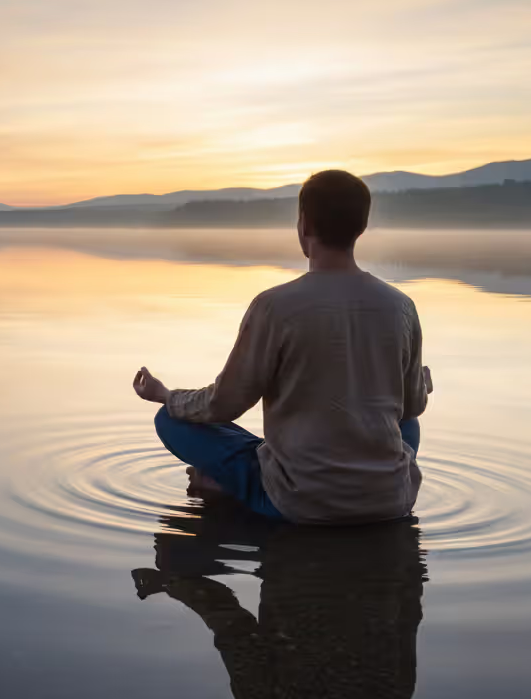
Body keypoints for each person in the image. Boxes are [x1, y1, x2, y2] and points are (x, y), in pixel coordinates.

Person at [132, 169, 432, 524]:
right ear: (362, 227)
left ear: (304, 225)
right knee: (407, 423)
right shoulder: (400, 306)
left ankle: (230, 486)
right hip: (388, 500)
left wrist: (167, 395)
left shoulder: (275, 306)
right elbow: (411, 406)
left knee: (171, 419)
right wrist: (419, 387)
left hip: (299, 502)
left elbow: (225, 404)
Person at [131, 485, 426, 699]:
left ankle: (218, 486)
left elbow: (409, 606)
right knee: (175, 560)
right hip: (371, 514)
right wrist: (172, 583)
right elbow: (228, 622)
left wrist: (172, 580)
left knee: (174, 557)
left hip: (334, 534)